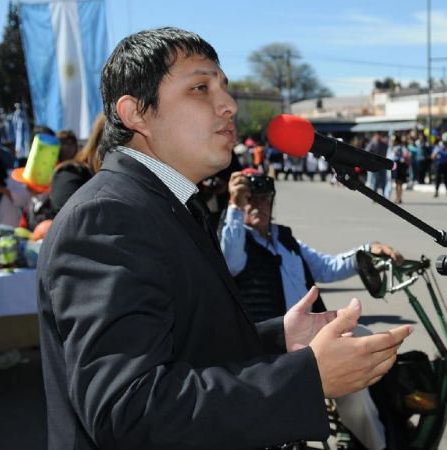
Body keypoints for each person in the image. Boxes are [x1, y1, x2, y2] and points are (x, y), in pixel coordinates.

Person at [37, 27, 412, 450]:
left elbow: (185, 347)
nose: (229, 105)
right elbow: (129, 408)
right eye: (200, 87)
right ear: (136, 113)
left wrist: (277, 340)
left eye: (224, 87)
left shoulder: (166, 201)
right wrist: (307, 378)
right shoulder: (107, 216)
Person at [220, 170, 405, 449]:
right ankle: (377, 444)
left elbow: (327, 266)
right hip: (274, 345)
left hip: (312, 332)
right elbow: (230, 262)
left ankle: (384, 428)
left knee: (373, 344)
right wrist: (235, 205)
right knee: (353, 386)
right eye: (250, 200)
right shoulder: (235, 239)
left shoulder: (286, 240)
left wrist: (368, 249)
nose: (257, 206)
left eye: (264, 199)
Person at [47, 115, 106, 216]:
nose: (68, 148)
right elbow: (73, 219)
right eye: (64, 144)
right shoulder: (69, 173)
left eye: (71, 144)